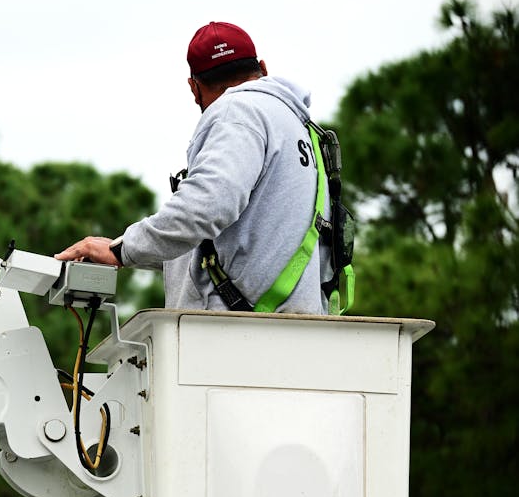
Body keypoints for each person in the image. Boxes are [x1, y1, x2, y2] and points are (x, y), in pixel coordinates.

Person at [55, 21, 331, 313]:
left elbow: (206, 207)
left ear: (194, 87)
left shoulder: (236, 111)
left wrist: (124, 250)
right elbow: (245, 246)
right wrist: (125, 248)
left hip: (235, 336)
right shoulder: (301, 128)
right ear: (262, 67)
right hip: (295, 331)